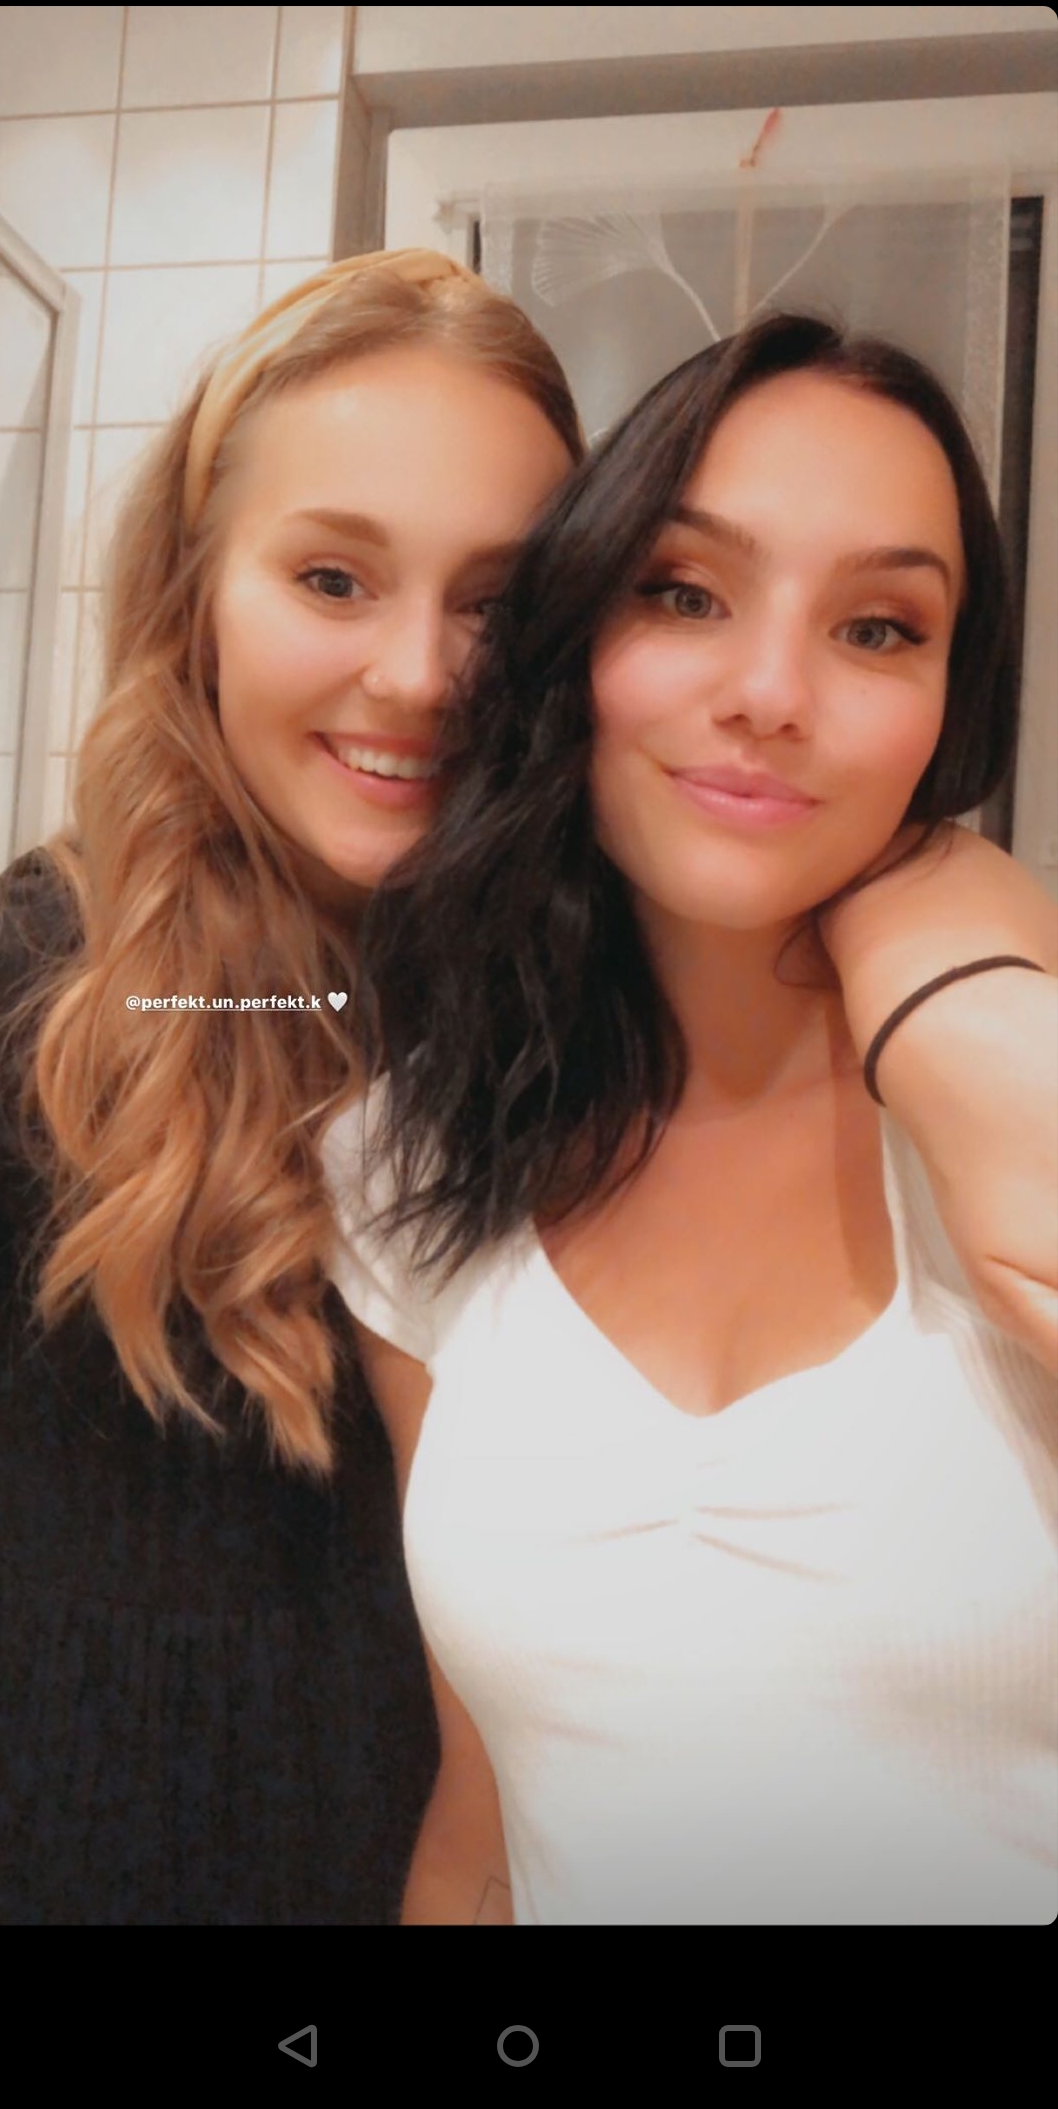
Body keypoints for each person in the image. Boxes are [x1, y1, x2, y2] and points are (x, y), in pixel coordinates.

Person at [324, 312, 1058, 1927]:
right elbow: (484, 1825)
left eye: (879, 628)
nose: (772, 693)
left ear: (951, 706)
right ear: (574, 641)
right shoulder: (407, 1164)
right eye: (683, 593)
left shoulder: (1014, 1112)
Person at [0, 249, 582, 1925]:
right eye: (332, 578)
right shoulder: (24, 1000)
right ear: (195, 596)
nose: (421, 675)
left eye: (496, 605)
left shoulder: (592, 1017)